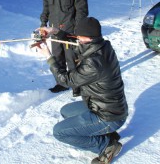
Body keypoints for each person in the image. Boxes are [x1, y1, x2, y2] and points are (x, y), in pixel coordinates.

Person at [36, 17, 128, 164]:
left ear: (89, 37)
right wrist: (54, 31)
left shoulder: (94, 63)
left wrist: (49, 57)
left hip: (108, 116)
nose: (77, 38)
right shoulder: (102, 45)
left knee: (59, 132)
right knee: (66, 111)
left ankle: (106, 145)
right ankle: (107, 134)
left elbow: (65, 80)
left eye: (79, 36)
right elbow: (74, 41)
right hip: (106, 107)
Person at [40, 0, 88, 96]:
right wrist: (43, 23)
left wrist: (79, 26)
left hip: (70, 28)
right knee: (57, 56)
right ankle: (61, 83)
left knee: (71, 57)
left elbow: (82, 7)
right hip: (54, 28)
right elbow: (46, 7)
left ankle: (76, 85)